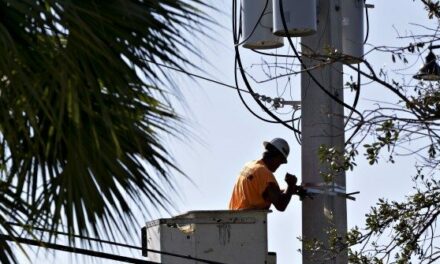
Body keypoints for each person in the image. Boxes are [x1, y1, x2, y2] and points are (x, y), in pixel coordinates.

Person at [229, 138, 300, 211]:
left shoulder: (250, 165)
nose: (280, 165)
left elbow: (266, 192)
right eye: (281, 161)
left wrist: (289, 191)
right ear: (276, 156)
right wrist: (290, 186)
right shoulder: (265, 173)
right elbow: (281, 205)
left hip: (234, 219)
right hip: (250, 220)